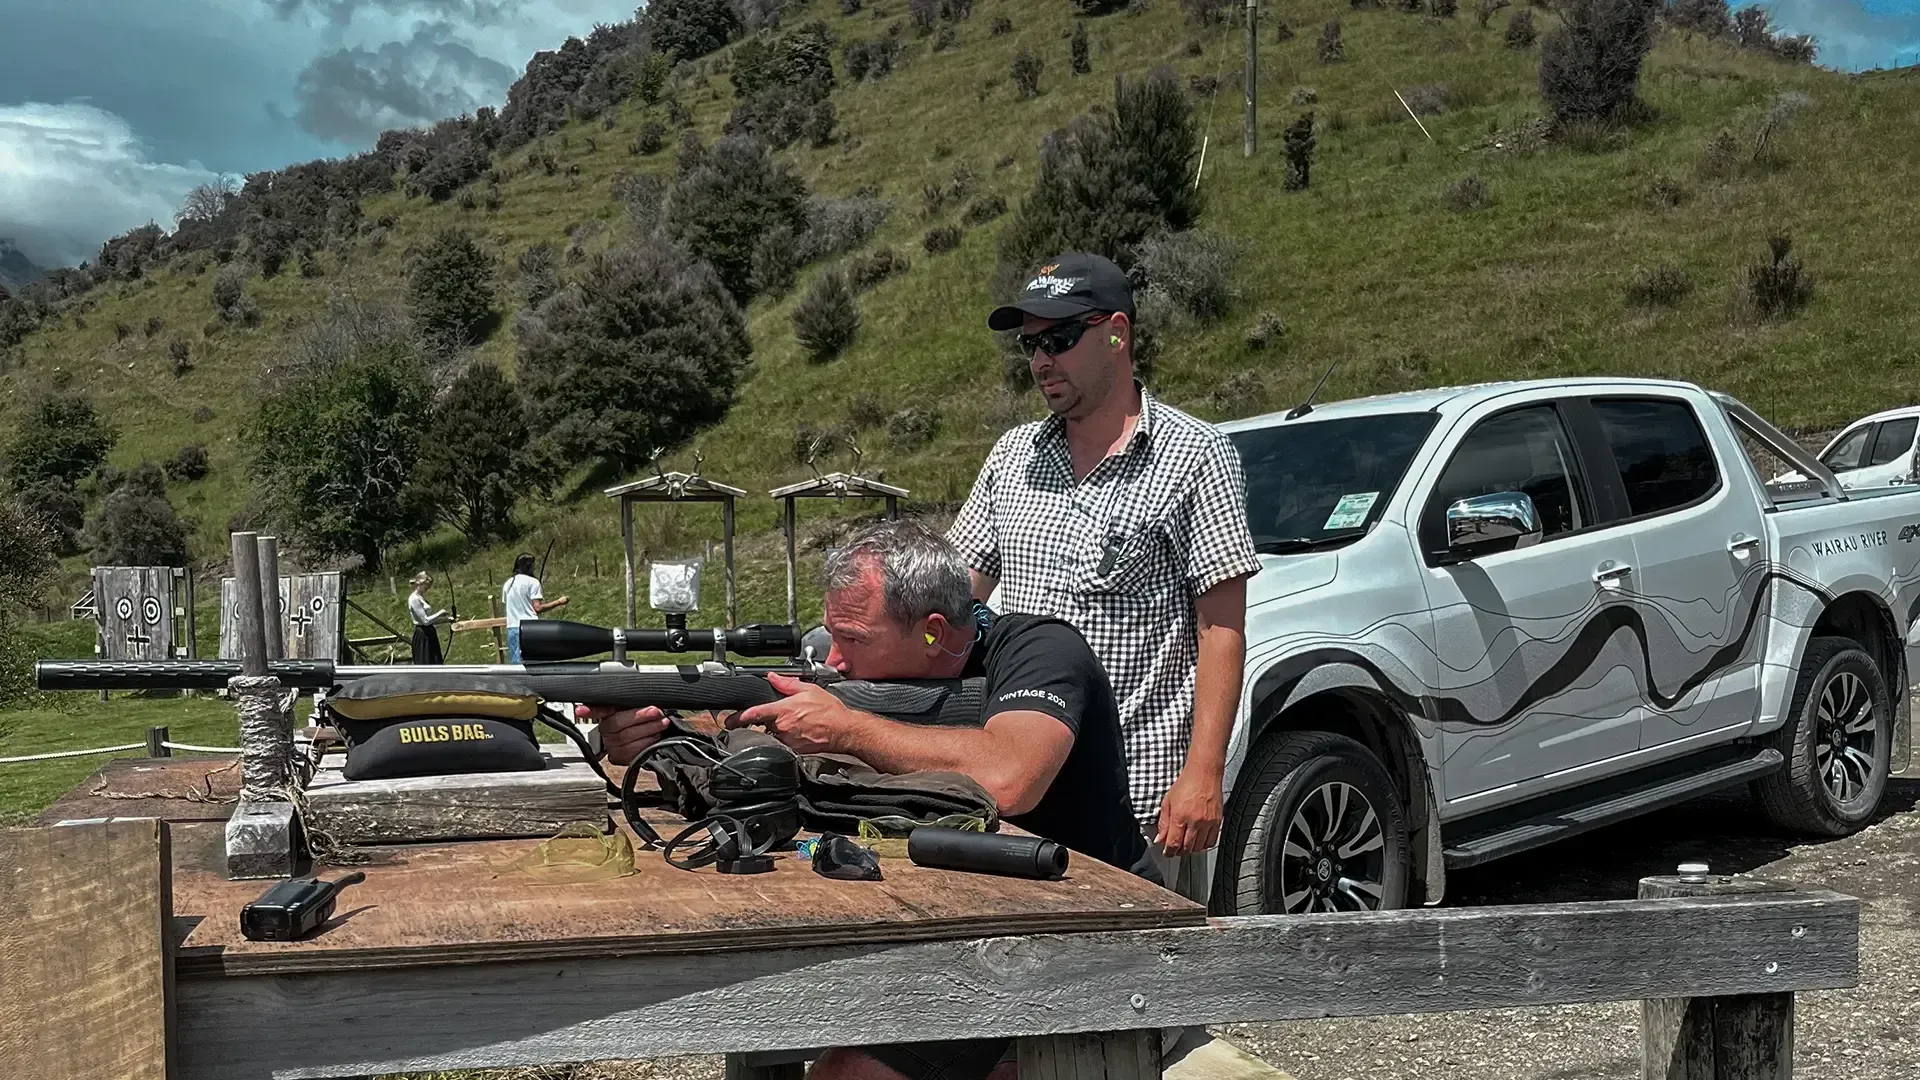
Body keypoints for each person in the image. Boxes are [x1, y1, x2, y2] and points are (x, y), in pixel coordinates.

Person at [584, 519, 1151, 1080]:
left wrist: (848, 729)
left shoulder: (1040, 650)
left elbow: (1010, 778)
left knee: (852, 1073)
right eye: (832, 634)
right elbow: (751, 731)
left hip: (1087, 939)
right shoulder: (853, 674)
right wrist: (655, 735)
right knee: (775, 1006)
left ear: (933, 632)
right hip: (956, 927)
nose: (832, 660)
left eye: (853, 639)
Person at [947, 251, 1261, 908]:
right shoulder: (1013, 457)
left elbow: (1221, 629)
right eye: (1031, 345)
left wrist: (1203, 774)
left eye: (1059, 339)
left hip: (1136, 804)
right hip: (1019, 792)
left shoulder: (1195, 455)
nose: (1040, 361)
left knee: (1146, 999)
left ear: (1117, 332)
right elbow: (951, 601)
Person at [500, 553, 566, 663]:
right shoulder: (533, 582)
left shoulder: (508, 584)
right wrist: (559, 602)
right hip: (529, 628)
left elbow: (507, 603)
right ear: (529, 566)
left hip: (512, 628)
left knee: (516, 664)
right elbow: (537, 608)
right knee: (533, 663)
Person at [405, 571, 452, 665]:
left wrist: (446, 619)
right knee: (426, 662)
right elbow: (425, 621)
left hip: (430, 633)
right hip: (423, 635)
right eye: (426, 586)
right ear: (420, 584)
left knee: (435, 661)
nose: (428, 588)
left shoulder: (421, 597)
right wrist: (439, 613)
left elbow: (431, 620)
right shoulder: (414, 599)